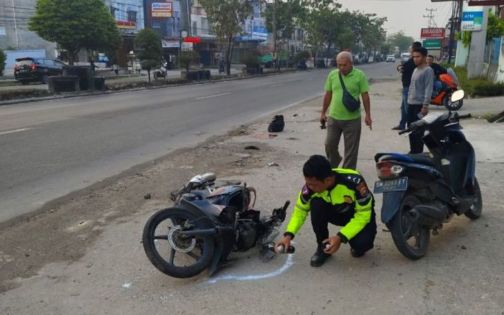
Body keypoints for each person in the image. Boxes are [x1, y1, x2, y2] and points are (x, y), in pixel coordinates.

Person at [276, 155, 377, 267]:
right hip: (335, 212)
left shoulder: (354, 182)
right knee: (316, 203)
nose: (309, 187)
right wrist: (288, 235)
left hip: (356, 214)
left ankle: (356, 245)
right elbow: (300, 210)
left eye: (313, 185)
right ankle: (323, 246)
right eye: (308, 183)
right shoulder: (310, 187)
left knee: (362, 244)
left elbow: (363, 215)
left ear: (328, 180)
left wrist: (340, 237)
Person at [321, 51, 372, 170]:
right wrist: (323, 112)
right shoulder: (333, 75)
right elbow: (328, 94)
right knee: (329, 144)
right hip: (334, 118)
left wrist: (368, 115)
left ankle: (348, 172)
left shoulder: (359, 75)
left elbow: (365, 96)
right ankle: (334, 161)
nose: (341, 68)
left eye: (344, 65)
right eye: (339, 65)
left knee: (351, 150)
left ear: (351, 63)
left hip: (352, 120)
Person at [407, 47, 434, 154]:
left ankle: (418, 153)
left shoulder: (428, 70)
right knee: (410, 129)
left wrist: (425, 106)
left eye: (417, 57)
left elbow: (429, 88)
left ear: (424, 57)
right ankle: (413, 151)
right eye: (413, 57)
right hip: (411, 104)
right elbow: (411, 87)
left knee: (419, 131)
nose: (415, 59)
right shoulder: (415, 69)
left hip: (419, 106)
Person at [393, 41, 422, 131]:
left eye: (411, 49)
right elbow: (405, 67)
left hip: (409, 87)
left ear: (414, 49)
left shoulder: (415, 60)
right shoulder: (412, 59)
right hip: (406, 86)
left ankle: (411, 126)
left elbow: (406, 68)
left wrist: (402, 68)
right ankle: (402, 124)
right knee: (403, 107)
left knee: (407, 108)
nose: (410, 51)